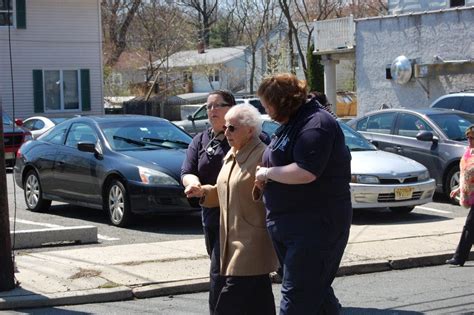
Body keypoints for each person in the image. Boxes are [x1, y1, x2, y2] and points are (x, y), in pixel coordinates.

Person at [255, 73, 353, 314]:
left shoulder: (316, 124)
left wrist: (267, 174)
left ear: (283, 101)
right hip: (290, 225)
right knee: (316, 296)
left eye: (267, 103)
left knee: (296, 298)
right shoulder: (292, 123)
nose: (266, 110)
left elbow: (306, 171)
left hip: (315, 227)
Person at [185, 104, 278, 315]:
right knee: (260, 304)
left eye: (232, 128)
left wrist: (262, 186)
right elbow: (224, 190)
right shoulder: (232, 155)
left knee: (227, 304)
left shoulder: (263, 156)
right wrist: (203, 192)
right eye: (226, 127)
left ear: (250, 130)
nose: (226, 132)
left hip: (251, 244)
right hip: (229, 241)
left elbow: (273, 194)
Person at [181, 90, 236, 314]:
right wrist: (192, 184)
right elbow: (187, 169)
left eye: (217, 105)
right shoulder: (201, 139)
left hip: (236, 216)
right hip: (210, 214)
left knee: (220, 272)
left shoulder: (243, 137)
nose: (212, 110)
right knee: (219, 268)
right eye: (208, 106)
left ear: (231, 108)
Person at [446, 124, 474, 267]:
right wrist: (458, 188)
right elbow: (465, 174)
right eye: (468, 137)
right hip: (471, 195)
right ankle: (459, 257)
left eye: (472, 138)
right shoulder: (469, 152)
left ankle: (459, 257)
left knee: (469, 226)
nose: (469, 140)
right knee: (470, 227)